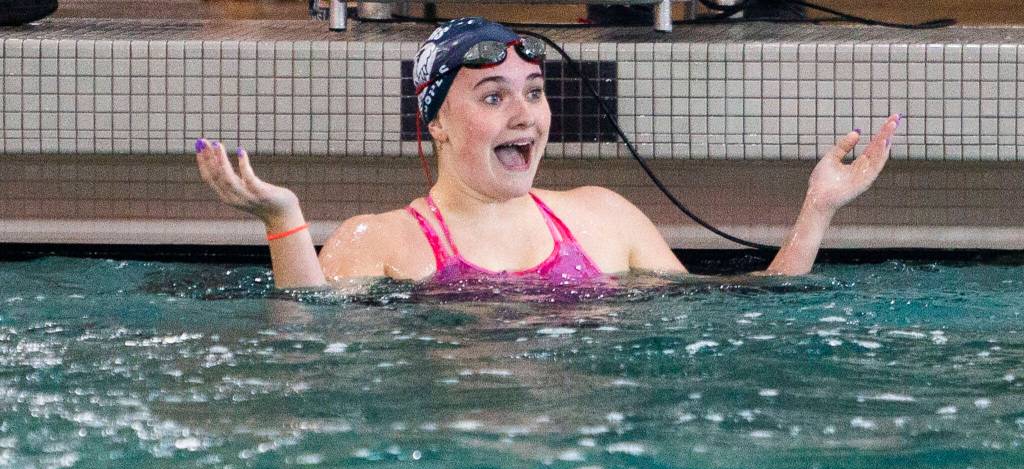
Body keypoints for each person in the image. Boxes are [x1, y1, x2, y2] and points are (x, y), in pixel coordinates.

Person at [195, 17, 902, 290]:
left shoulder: (604, 219)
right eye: (494, 97)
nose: (526, 115)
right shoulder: (381, 241)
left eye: (533, 92)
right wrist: (282, 220)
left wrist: (816, 211)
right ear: (435, 122)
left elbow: (740, 313)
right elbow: (301, 346)